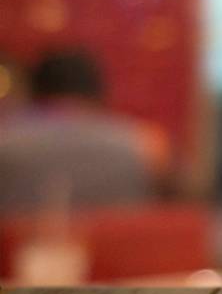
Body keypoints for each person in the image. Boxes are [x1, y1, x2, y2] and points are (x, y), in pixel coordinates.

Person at [0, 50, 161, 215]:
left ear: (36, 91)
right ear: (98, 92)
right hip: (119, 240)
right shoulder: (144, 144)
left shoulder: (6, 143)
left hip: (28, 240)